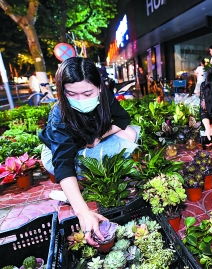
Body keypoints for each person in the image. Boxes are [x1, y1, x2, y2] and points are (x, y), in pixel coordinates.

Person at [39, 57, 140, 246]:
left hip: (88, 143)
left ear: (99, 88)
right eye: (71, 94)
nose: (79, 100)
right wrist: (82, 212)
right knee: (74, 167)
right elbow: (63, 162)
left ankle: (76, 190)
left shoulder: (105, 97)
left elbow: (122, 119)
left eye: (87, 93)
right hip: (56, 153)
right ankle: (73, 194)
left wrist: (98, 139)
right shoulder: (59, 114)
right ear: (62, 92)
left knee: (130, 133)